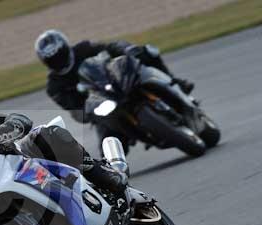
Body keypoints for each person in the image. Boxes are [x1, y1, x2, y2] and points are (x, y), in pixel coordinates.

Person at [35, 30, 194, 151]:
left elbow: (110, 48)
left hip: (117, 81)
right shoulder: (54, 86)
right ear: (46, 62)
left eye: (60, 55)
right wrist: (88, 112)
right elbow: (74, 109)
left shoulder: (84, 49)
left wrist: (127, 50)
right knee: (107, 148)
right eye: (53, 59)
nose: (58, 61)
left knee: (147, 53)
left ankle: (175, 82)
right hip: (101, 104)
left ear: (65, 48)